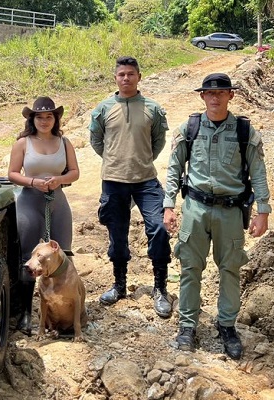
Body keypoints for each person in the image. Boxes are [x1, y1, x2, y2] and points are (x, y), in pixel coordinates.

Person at [163, 73, 272, 359]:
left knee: (230, 270)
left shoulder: (244, 132)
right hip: (195, 209)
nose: (215, 97)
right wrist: (168, 205)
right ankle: (187, 327)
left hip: (231, 212)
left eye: (221, 92)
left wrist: (263, 211)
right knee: (189, 268)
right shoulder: (190, 127)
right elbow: (174, 168)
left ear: (230, 95)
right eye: (209, 93)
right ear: (202, 96)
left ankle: (227, 326)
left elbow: (258, 172)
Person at [89, 56, 172, 318]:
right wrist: (116, 160)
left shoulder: (152, 109)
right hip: (114, 180)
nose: (126, 78)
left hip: (146, 179)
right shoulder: (102, 109)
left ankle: (160, 288)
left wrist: (141, 159)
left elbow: (158, 141)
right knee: (117, 234)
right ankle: (119, 284)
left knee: (158, 228)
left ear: (139, 76)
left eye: (131, 74)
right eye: (121, 74)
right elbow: (96, 141)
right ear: (115, 78)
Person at [7, 96, 80, 334]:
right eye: (40, 116)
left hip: (57, 201)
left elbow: (75, 172)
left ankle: (65, 310)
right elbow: (12, 174)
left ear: (55, 119)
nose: (44, 120)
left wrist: (59, 179)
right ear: (32, 119)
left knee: (63, 253)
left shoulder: (64, 142)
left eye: (49, 116)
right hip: (29, 201)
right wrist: (32, 182)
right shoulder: (23, 143)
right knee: (28, 258)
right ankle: (26, 313)